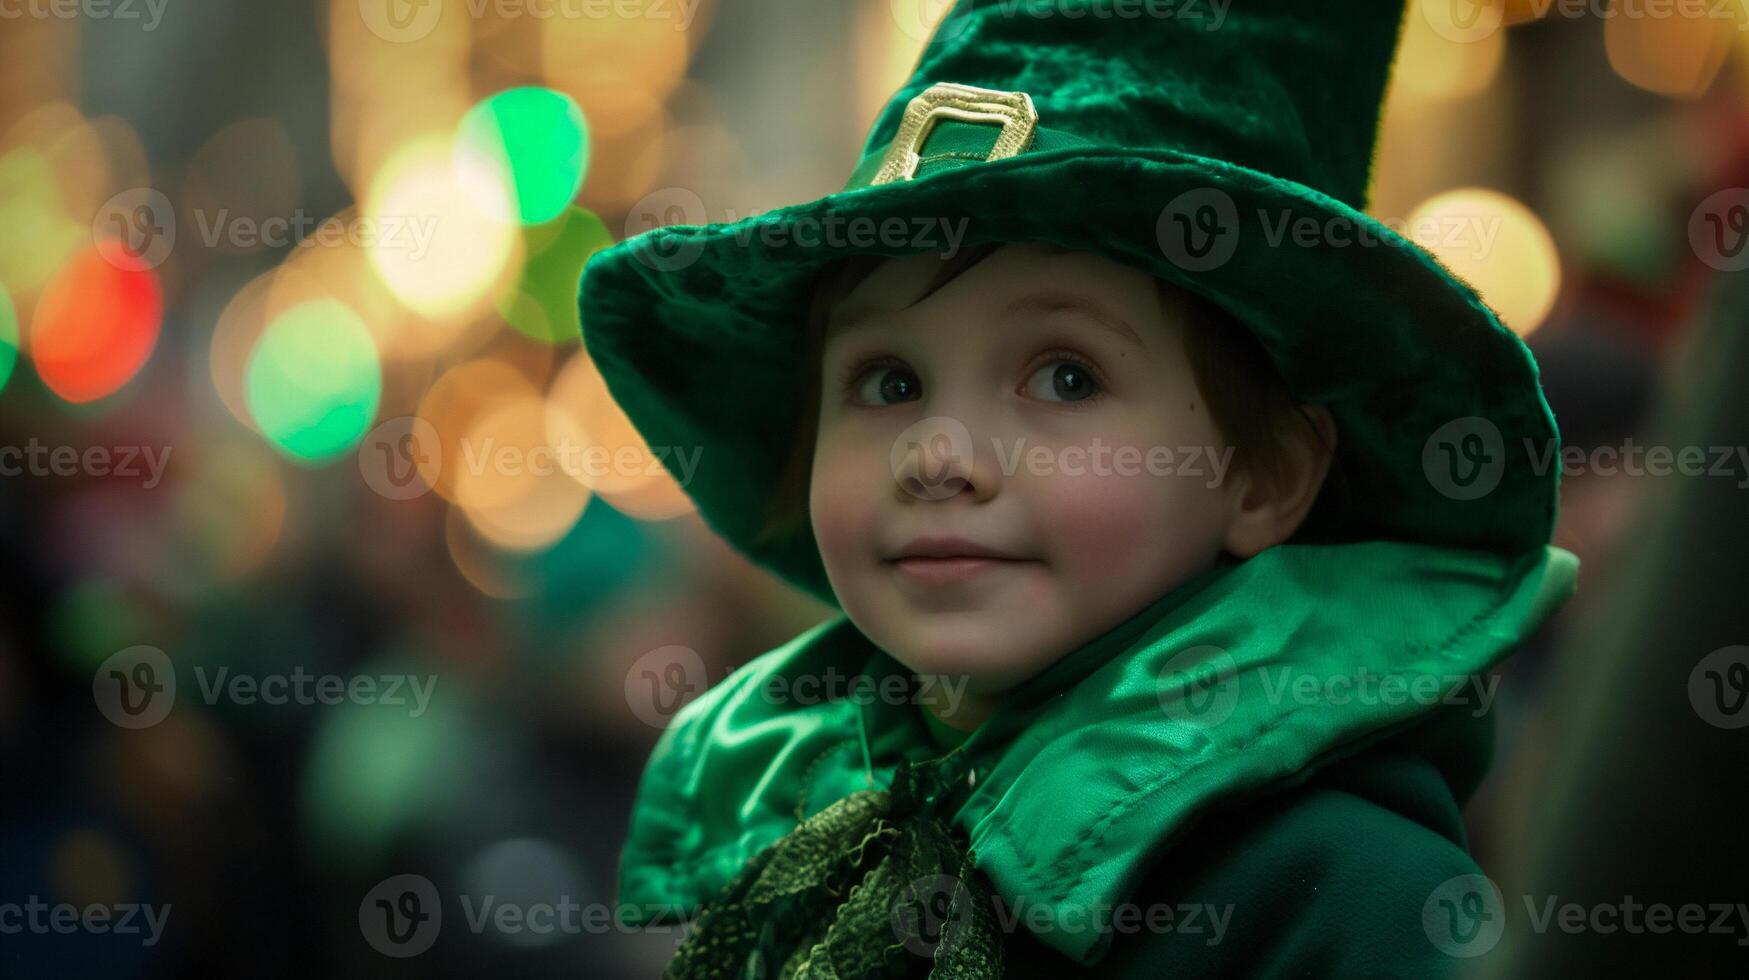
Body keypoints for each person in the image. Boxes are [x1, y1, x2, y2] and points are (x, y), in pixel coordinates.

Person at [579, 0, 1579, 974]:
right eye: (889, 381)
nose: (937, 453)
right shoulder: (808, 840)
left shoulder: (1351, 903)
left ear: (1265, 473)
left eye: (1066, 375)